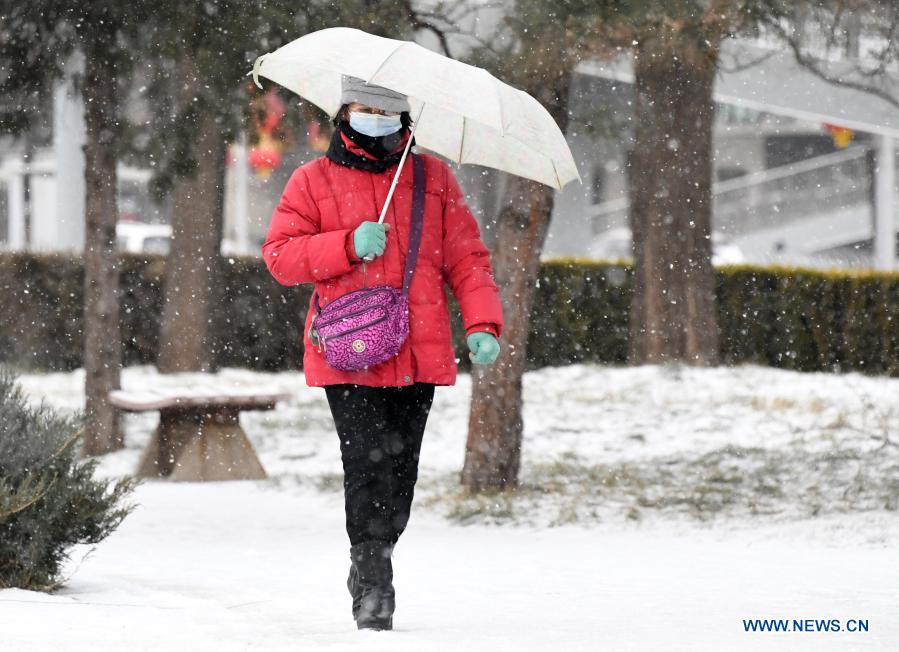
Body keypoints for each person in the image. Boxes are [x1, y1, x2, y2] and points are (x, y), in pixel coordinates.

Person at [261, 75, 503, 631]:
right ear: (345, 112)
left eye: (385, 110)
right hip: (349, 354)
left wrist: (483, 321)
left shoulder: (433, 180)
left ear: (404, 118)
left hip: (418, 352)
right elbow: (280, 256)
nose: (374, 118)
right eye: (364, 108)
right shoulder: (311, 180)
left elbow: (467, 258)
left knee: (400, 473)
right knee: (366, 463)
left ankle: (375, 554)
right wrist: (347, 244)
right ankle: (373, 578)